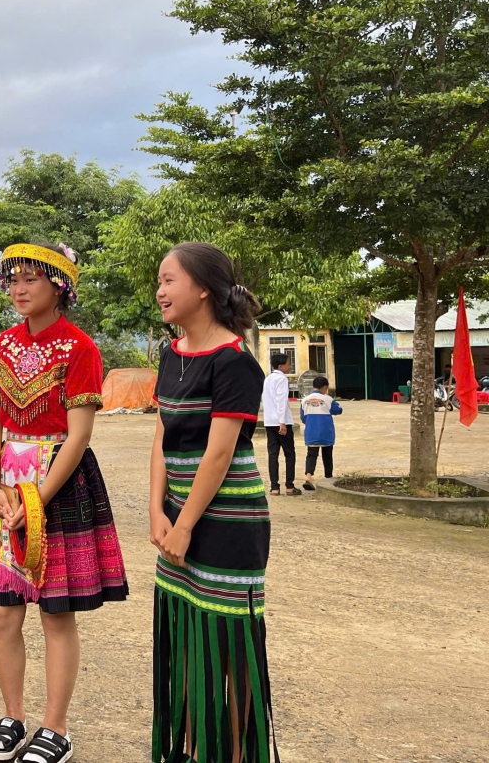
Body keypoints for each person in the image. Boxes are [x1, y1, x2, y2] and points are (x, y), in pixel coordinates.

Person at [0, 243, 128, 763]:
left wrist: (37, 497)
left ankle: (55, 727)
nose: (18, 288)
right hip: (7, 479)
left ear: (60, 286)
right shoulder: (1, 345)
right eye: (12, 280)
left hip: (59, 481)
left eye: (31, 278)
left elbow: (78, 436)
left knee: (56, 613)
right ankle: (12, 716)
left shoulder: (80, 348)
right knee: (3, 612)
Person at [149, 242, 277, 763]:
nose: (160, 291)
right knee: (185, 633)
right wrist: (158, 511)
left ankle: (234, 755)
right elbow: (160, 436)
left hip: (227, 521)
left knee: (228, 642)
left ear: (203, 288)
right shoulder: (171, 353)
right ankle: (190, 749)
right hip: (177, 512)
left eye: (169, 280)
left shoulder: (234, 362)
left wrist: (184, 526)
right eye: (159, 281)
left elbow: (220, 453)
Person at [261, 353, 299, 496]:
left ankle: (274, 487)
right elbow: (281, 400)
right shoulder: (281, 379)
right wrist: (282, 422)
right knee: (289, 453)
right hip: (281, 421)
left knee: (273, 454)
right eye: (289, 364)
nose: (290, 366)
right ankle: (289, 486)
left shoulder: (268, 379)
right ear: (280, 366)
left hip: (269, 421)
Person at [300, 375, 342, 490]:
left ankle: (308, 476)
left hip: (311, 432)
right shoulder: (327, 399)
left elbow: (303, 418)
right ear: (324, 387)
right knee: (327, 455)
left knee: (311, 454)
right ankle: (328, 478)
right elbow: (338, 410)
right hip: (326, 432)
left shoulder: (304, 400)